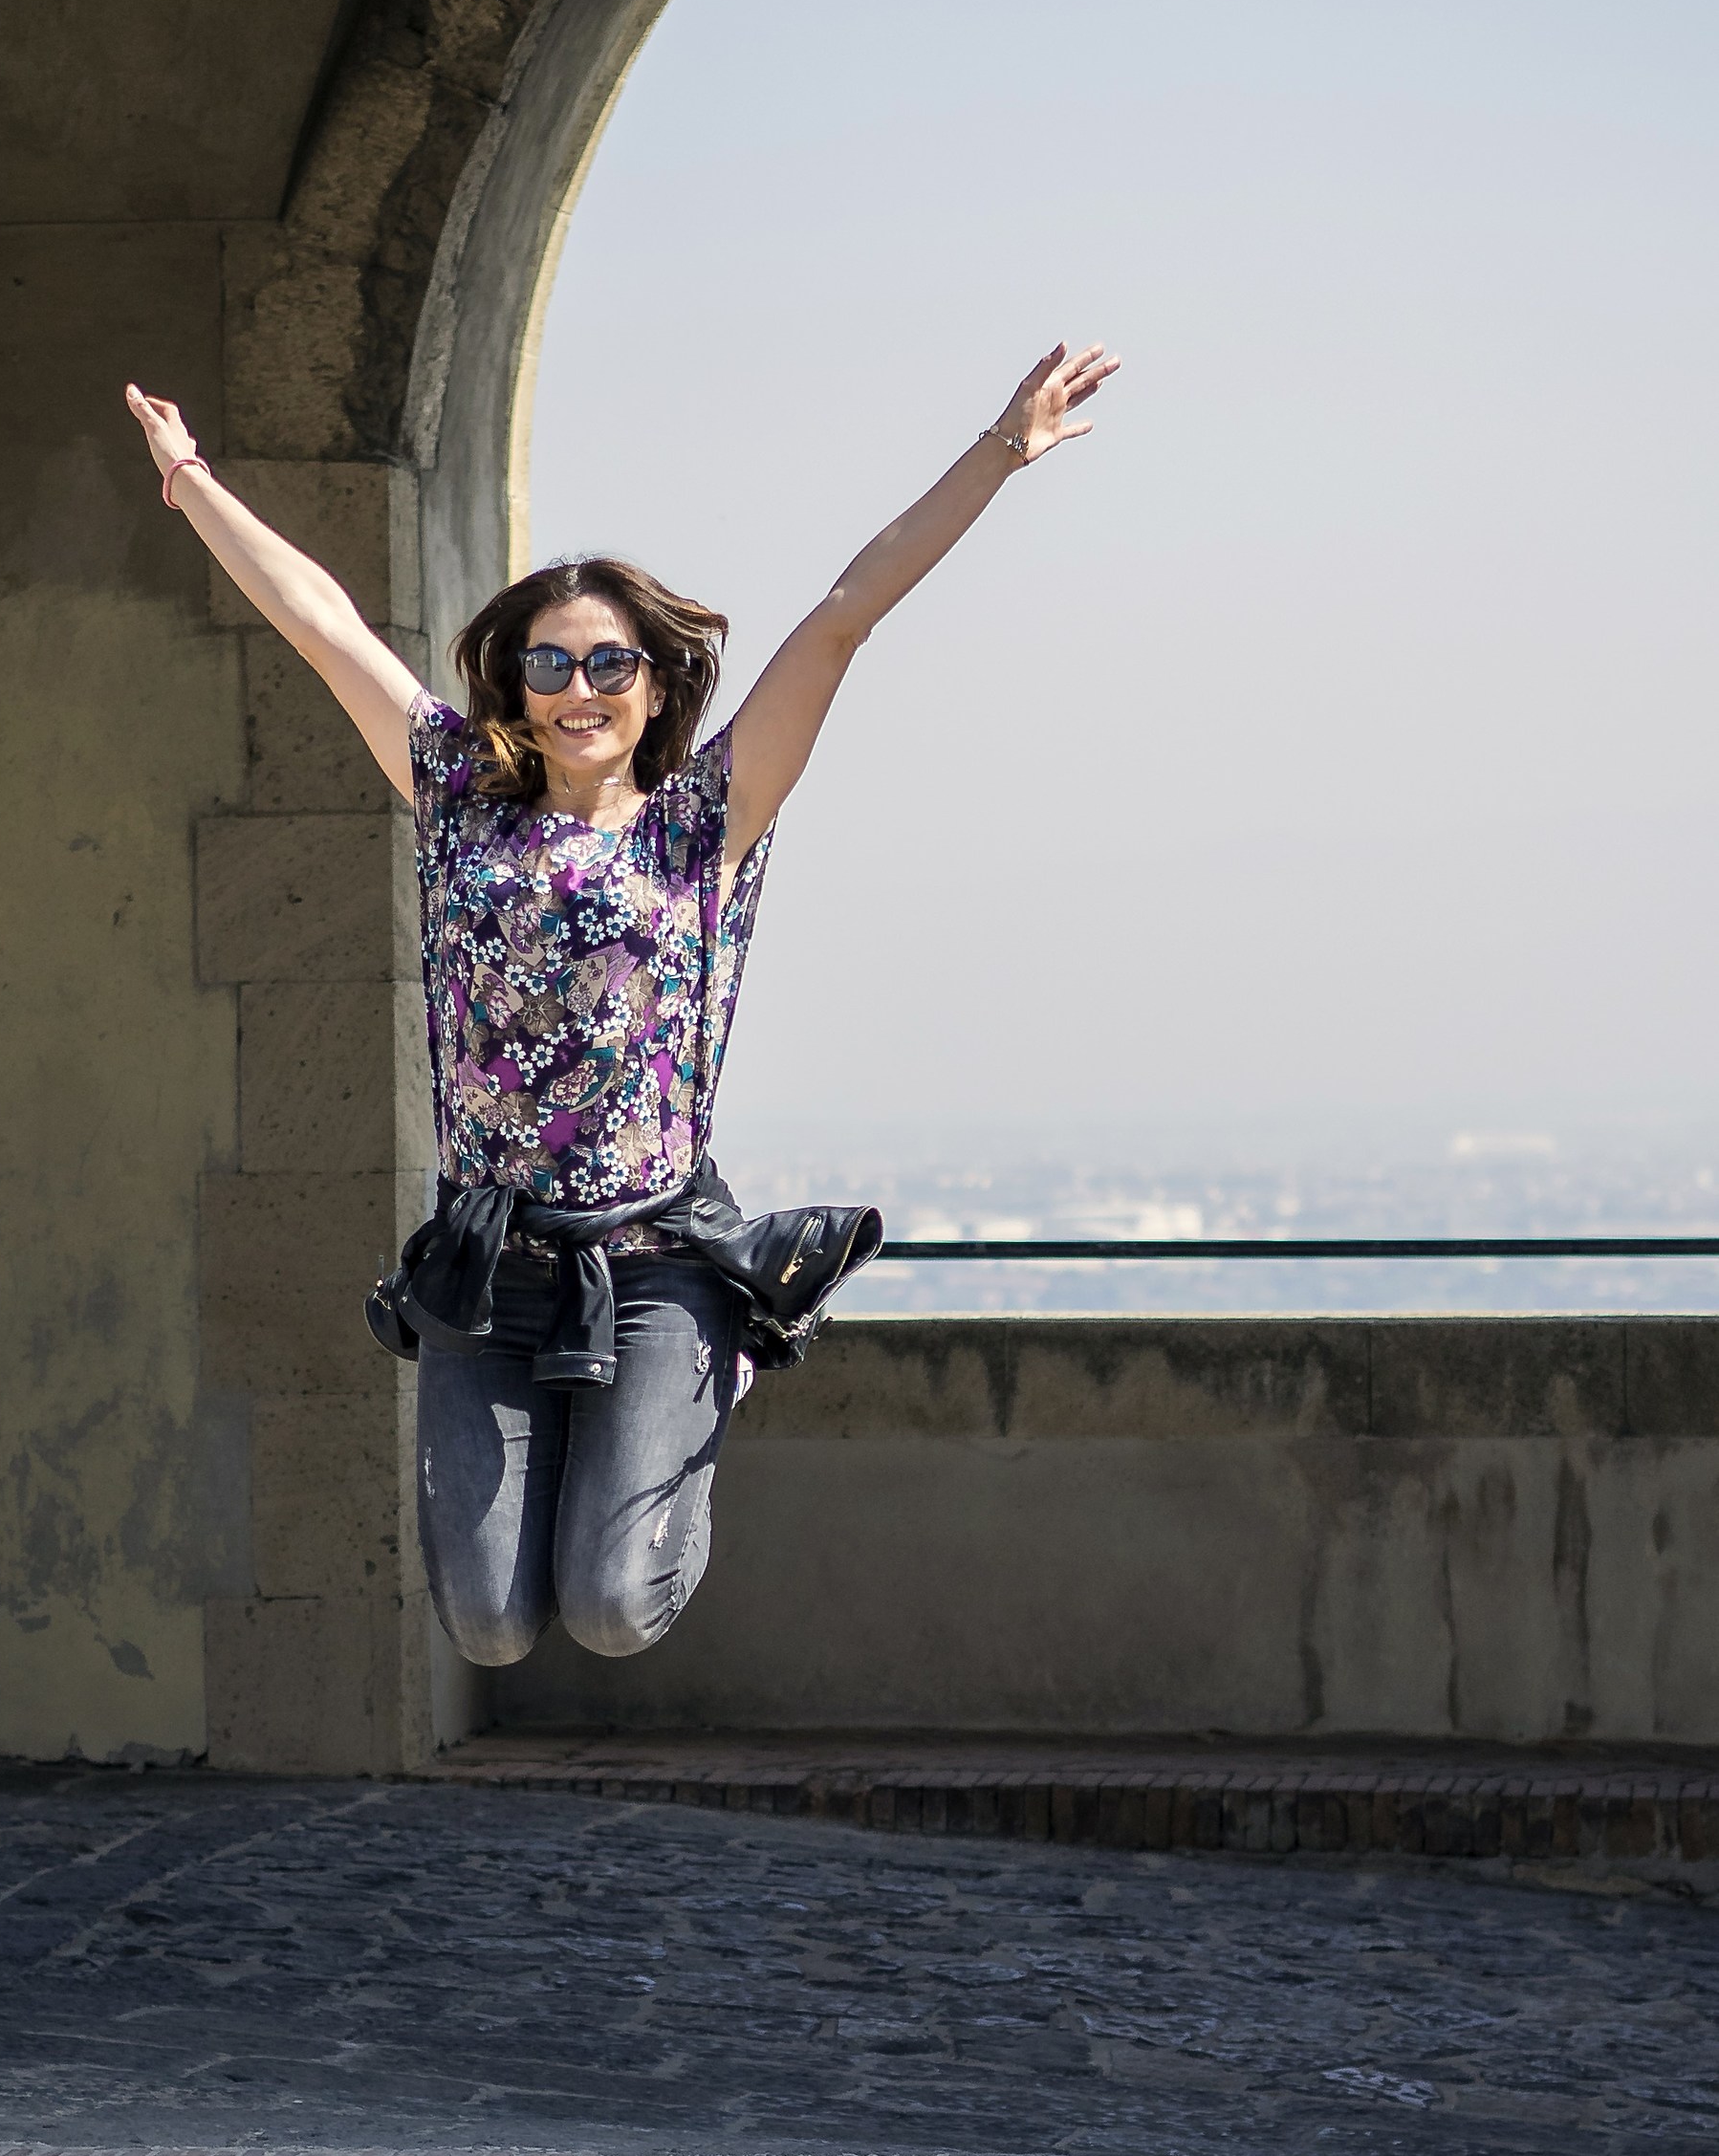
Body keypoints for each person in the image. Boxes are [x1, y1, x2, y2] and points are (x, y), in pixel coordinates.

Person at [125, 341, 1120, 1668]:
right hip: (487, 1260)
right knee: (484, 1628)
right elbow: (323, 625)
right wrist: (190, 481)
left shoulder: (704, 821)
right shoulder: (455, 802)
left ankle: (721, 1365)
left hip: (655, 1269)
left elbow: (840, 613)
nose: (577, 690)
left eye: (606, 665)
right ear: (512, 687)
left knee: (608, 1612)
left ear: (653, 683)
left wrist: (999, 449)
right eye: (548, 666)